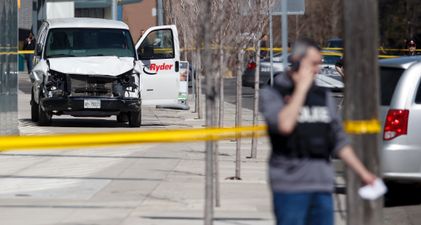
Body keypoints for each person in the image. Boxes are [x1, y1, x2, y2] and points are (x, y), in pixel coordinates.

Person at [260, 38, 377, 225]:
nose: (318, 69)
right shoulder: (274, 93)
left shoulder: (323, 96)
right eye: (313, 63)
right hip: (290, 185)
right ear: (297, 61)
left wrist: (363, 173)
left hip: (322, 184)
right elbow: (285, 125)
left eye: (319, 63)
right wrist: (301, 90)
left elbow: (339, 140)